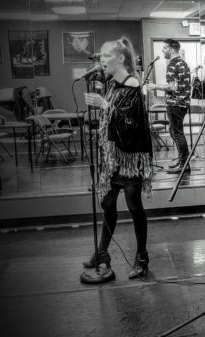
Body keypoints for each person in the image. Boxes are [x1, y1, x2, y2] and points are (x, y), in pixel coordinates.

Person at [82, 37, 154, 280]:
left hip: (130, 156)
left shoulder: (133, 86)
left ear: (121, 58)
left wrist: (104, 106)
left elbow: (130, 125)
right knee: (108, 204)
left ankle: (142, 257)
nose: (101, 61)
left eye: (106, 57)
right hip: (114, 158)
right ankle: (102, 252)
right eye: (100, 57)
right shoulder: (112, 84)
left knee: (134, 207)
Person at [146, 39, 191, 174]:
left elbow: (172, 87)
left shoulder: (172, 64)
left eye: (164, 48)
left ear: (172, 50)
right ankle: (182, 160)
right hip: (182, 103)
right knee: (174, 132)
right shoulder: (182, 63)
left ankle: (184, 164)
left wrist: (155, 86)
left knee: (177, 133)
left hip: (175, 103)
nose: (162, 51)